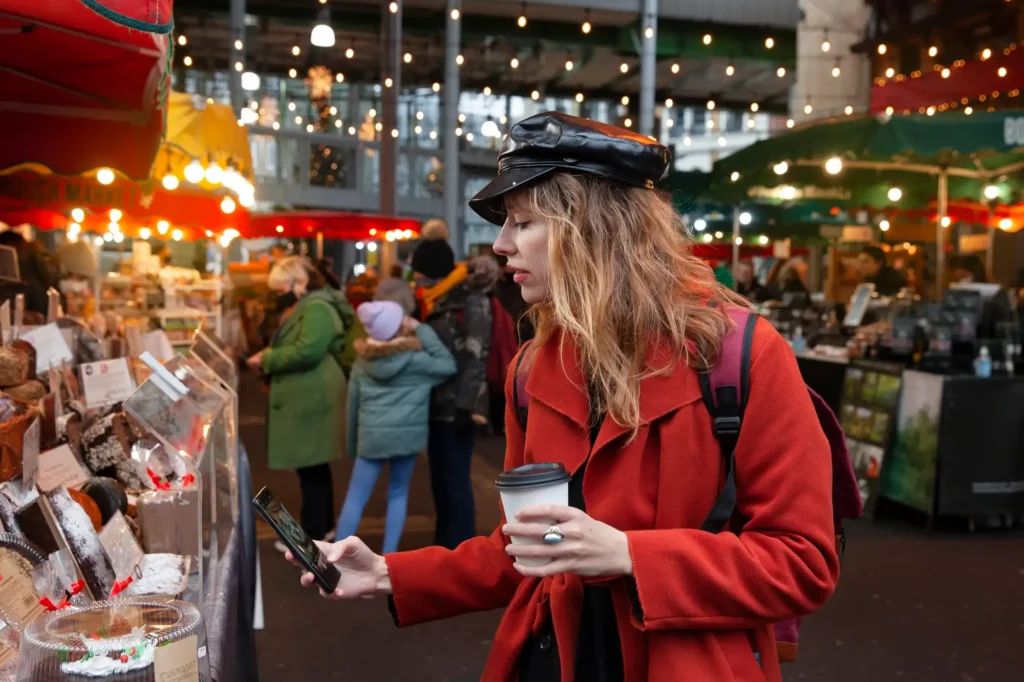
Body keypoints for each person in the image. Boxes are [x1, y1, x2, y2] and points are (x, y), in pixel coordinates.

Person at [289, 113, 840, 681]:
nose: (500, 244)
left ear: (596, 231)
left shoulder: (741, 356)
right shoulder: (532, 368)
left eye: (523, 223)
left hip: (684, 662)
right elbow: (522, 549)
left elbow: (802, 562)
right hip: (551, 655)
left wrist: (629, 554)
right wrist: (384, 572)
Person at [248, 255, 355, 548]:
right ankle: (322, 529)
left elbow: (308, 350)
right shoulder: (314, 304)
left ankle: (313, 536)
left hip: (314, 396)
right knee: (314, 466)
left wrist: (267, 358)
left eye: (282, 285)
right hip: (313, 394)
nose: (280, 292)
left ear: (299, 281)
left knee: (312, 467)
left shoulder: (317, 307)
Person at [334, 301, 457, 554]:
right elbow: (448, 364)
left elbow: (352, 407)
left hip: (372, 438)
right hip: (406, 439)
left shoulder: (361, 363)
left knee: (356, 497)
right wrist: (422, 329)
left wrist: (352, 444)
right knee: (398, 493)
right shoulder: (417, 360)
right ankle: (388, 557)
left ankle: (335, 556)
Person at [409, 221, 499, 549]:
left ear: (432, 272)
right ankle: (444, 545)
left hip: (459, 407)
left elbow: (477, 352)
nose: (414, 277)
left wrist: (465, 405)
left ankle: (460, 550)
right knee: (440, 480)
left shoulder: (470, 299)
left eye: (418, 271)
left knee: (455, 479)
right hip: (436, 401)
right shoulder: (436, 299)